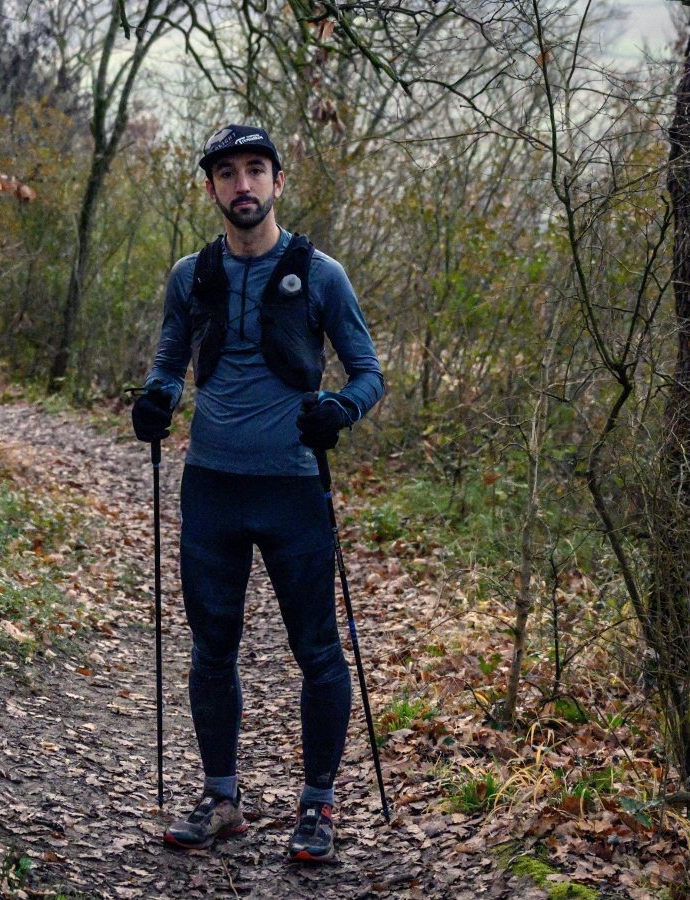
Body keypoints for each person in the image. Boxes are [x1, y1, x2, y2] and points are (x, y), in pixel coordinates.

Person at [132, 124, 384, 863]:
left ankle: (318, 807)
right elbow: (169, 362)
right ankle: (221, 799)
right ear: (210, 188)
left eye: (255, 170)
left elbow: (369, 374)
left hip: (294, 490)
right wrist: (155, 400)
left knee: (317, 651)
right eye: (228, 173)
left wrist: (340, 408)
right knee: (212, 651)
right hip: (211, 488)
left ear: (277, 180)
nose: (243, 185)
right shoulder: (192, 275)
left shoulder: (322, 274)